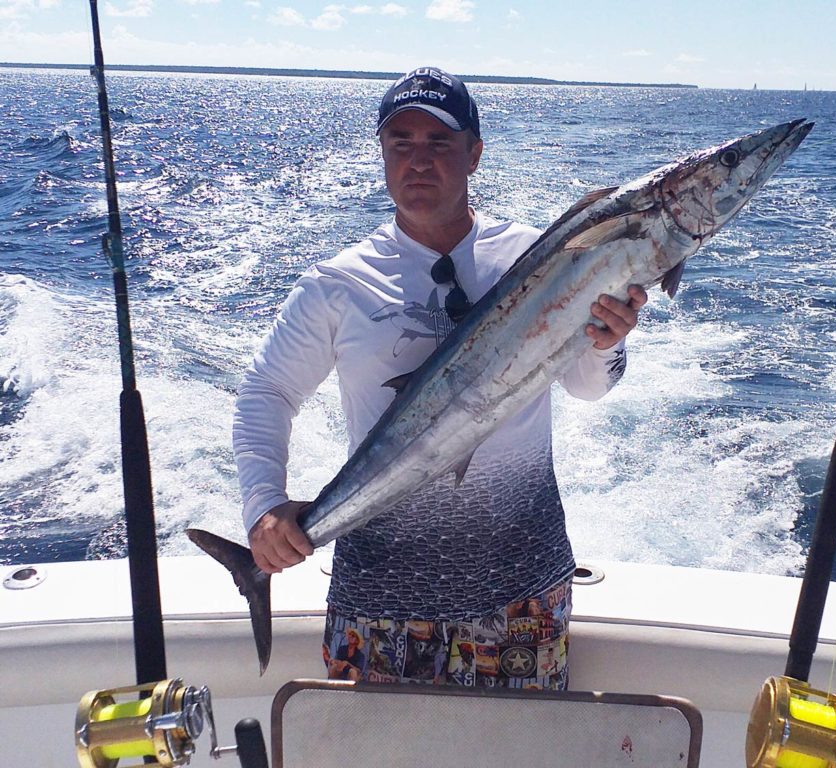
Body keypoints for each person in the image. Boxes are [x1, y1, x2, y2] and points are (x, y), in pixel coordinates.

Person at [233, 66, 648, 690]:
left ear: (474, 154)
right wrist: (264, 506)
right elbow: (268, 391)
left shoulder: (543, 259)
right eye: (401, 144)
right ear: (381, 156)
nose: (417, 162)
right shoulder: (337, 284)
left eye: (439, 144)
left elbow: (589, 387)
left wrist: (608, 342)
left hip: (520, 593)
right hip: (378, 597)